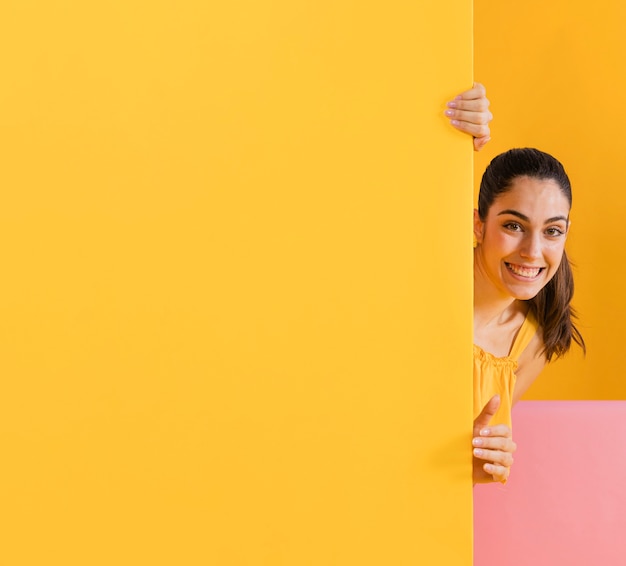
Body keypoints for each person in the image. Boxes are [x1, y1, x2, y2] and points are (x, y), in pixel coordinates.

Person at [470, 148, 585, 484]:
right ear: (479, 224)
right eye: (513, 225)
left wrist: (475, 468)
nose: (533, 252)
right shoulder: (423, 295)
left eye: (552, 231)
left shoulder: (533, 342)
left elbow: (467, 459)